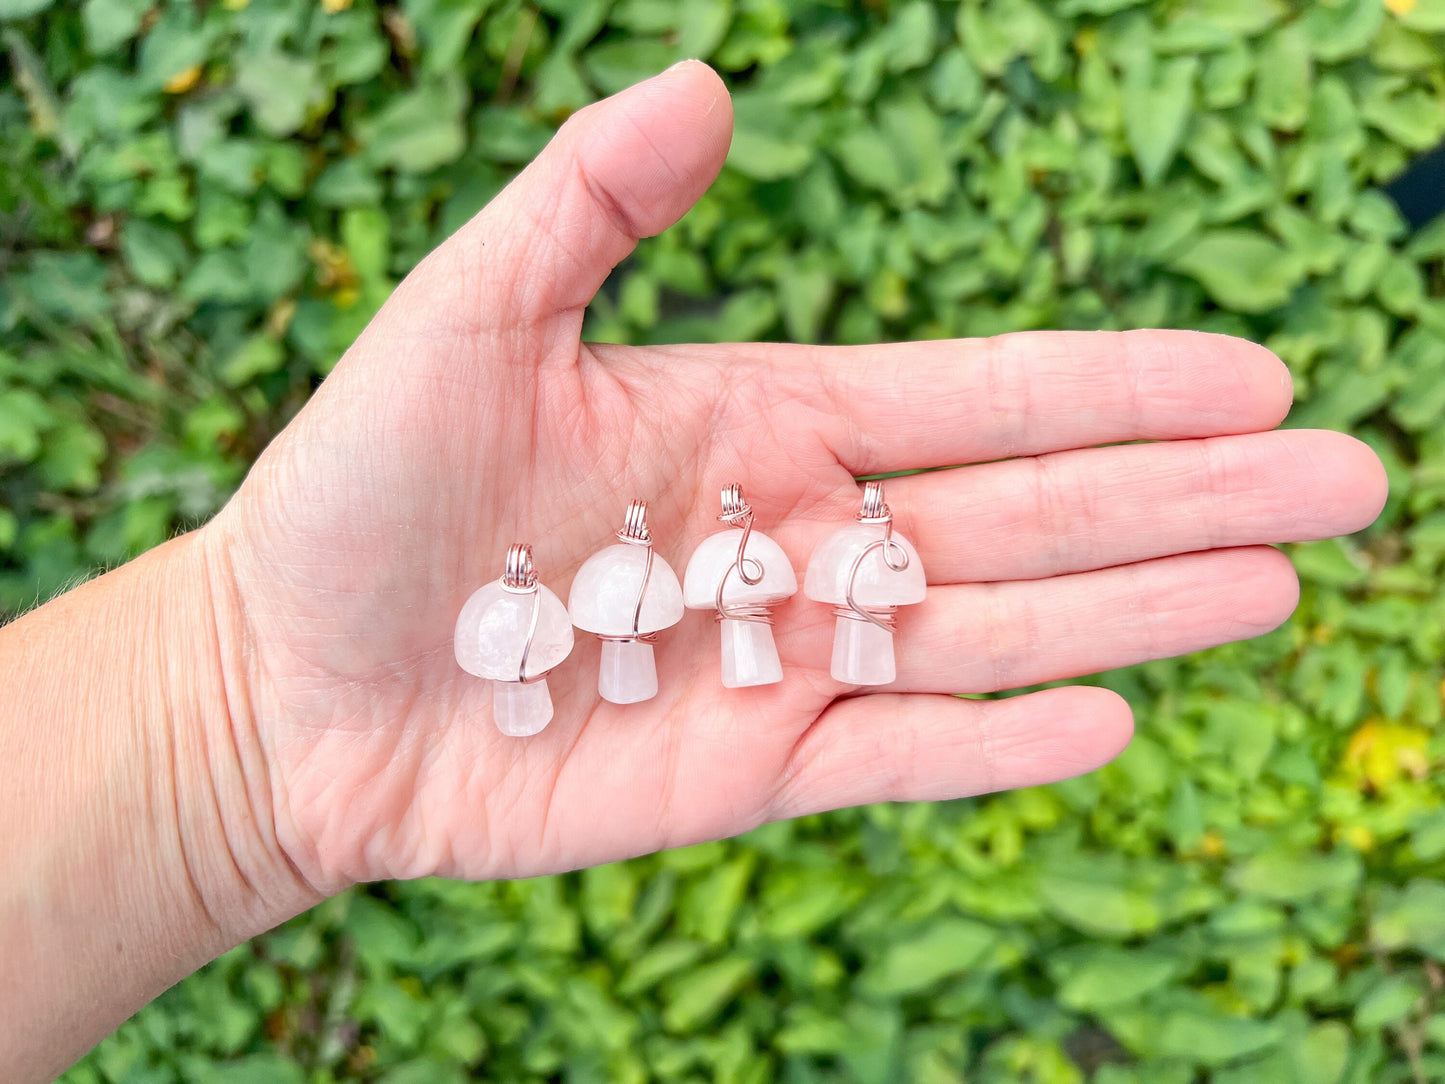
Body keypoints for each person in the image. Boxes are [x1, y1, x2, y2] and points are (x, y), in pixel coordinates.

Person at [0, 61, 1387, 1081]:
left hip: (720, 614)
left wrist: (227, 724)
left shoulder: (753, 567)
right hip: (624, 629)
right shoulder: (595, 588)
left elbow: (774, 593)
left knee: (795, 629)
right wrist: (238, 700)